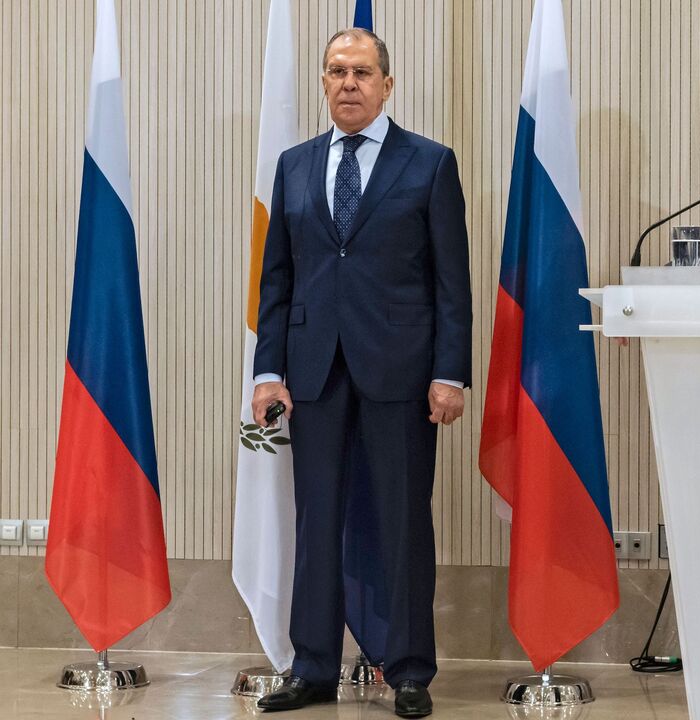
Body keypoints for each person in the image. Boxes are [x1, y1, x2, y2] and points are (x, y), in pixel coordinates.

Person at [250, 27, 471, 718]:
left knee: (402, 523)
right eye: (337, 71)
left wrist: (451, 373)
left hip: (400, 373)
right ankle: (313, 667)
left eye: (362, 72)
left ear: (387, 84)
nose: (349, 83)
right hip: (314, 373)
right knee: (316, 523)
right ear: (323, 82)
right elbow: (276, 280)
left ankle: (408, 672)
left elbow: (451, 282)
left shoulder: (429, 163)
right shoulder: (293, 165)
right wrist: (267, 371)